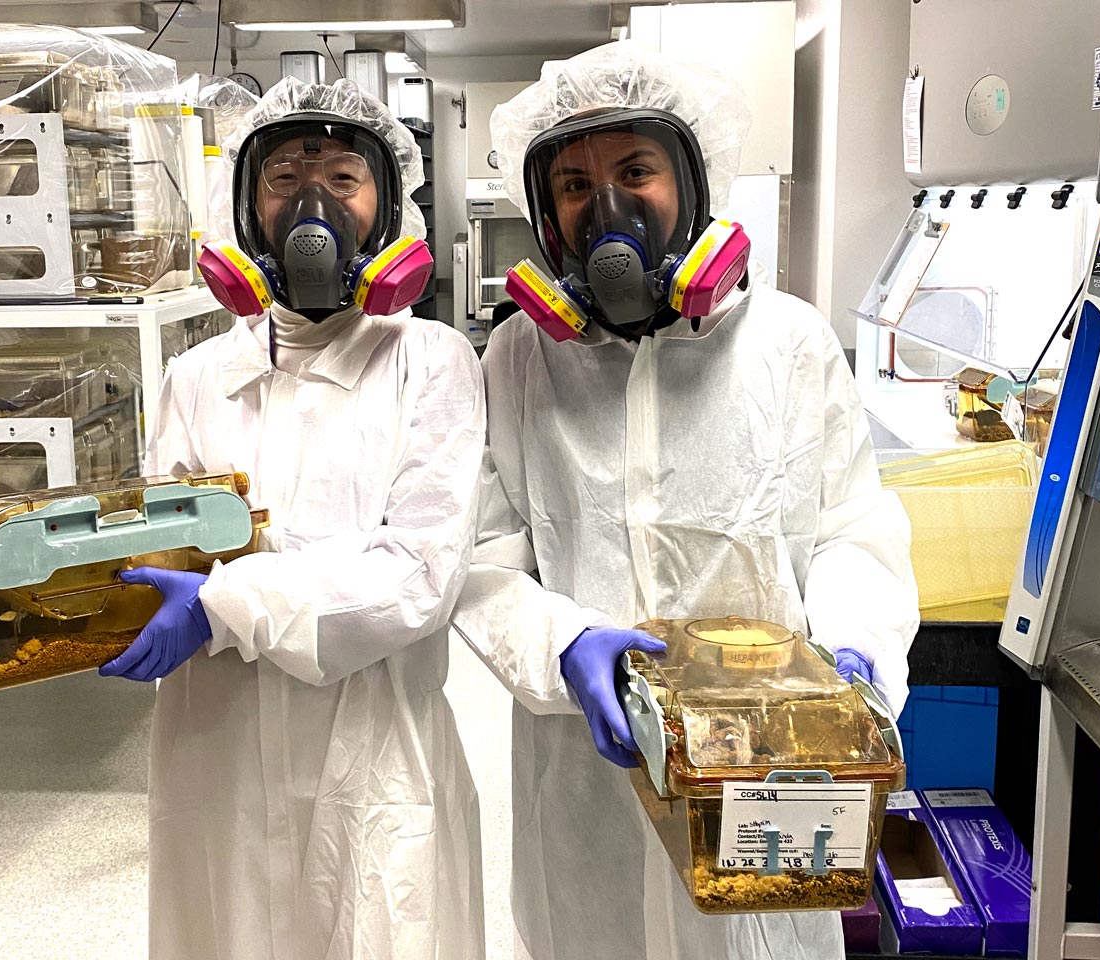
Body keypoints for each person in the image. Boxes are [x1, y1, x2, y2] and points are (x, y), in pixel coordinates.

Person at [451, 42, 920, 960]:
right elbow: (482, 552)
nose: (609, 208)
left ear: (694, 181)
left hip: (772, 759)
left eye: (636, 171)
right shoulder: (518, 358)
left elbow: (853, 531)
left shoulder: (788, 343)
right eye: (576, 186)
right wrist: (564, 645)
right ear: (545, 214)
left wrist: (857, 648)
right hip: (589, 772)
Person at [101, 77, 487, 960]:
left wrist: (223, 605)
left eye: (345, 179)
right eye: (282, 180)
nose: (314, 205)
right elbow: (169, 546)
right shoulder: (197, 376)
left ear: (388, 209)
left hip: (373, 753)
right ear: (244, 209)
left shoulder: (430, 362)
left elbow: (416, 577)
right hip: (218, 750)